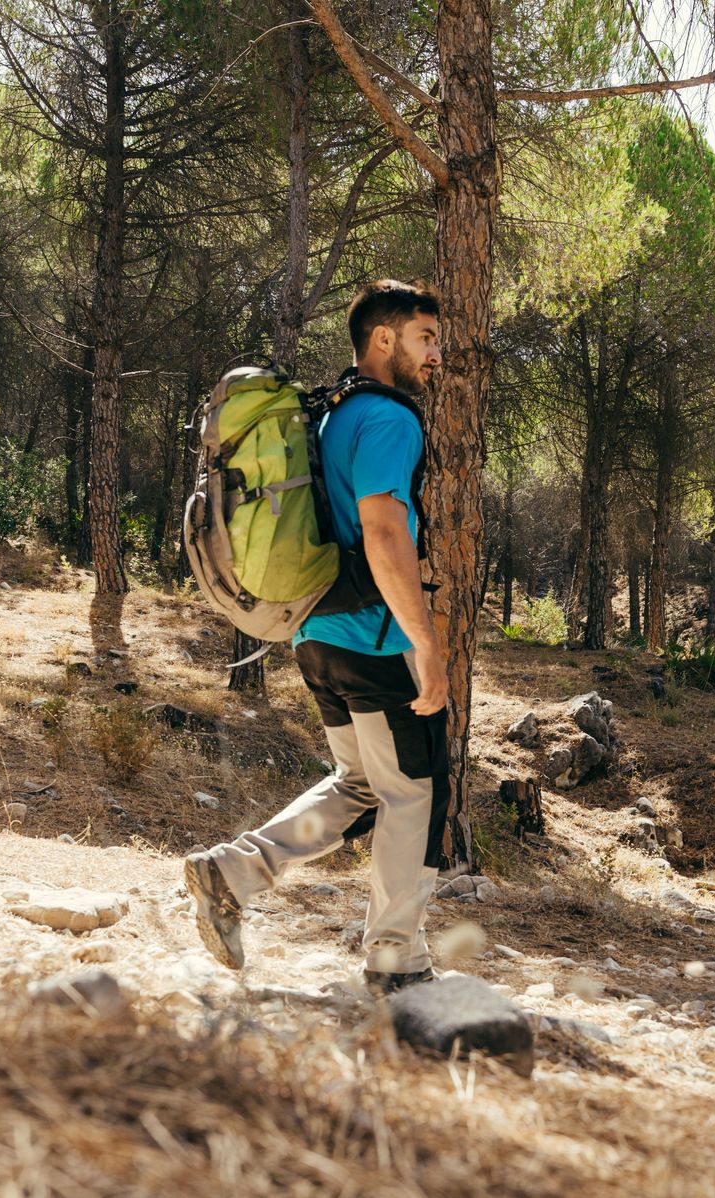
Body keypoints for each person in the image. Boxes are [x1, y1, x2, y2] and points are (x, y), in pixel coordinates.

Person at [184, 279, 450, 994]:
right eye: (426, 339)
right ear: (384, 339)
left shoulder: (331, 415)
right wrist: (423, 643)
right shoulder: (391, 421)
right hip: (372, 634)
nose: (436, 357)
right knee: (415, 791)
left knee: (361, 784)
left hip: (314, 630)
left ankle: (232, 873)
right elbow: (385, 527)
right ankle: (397, 959)